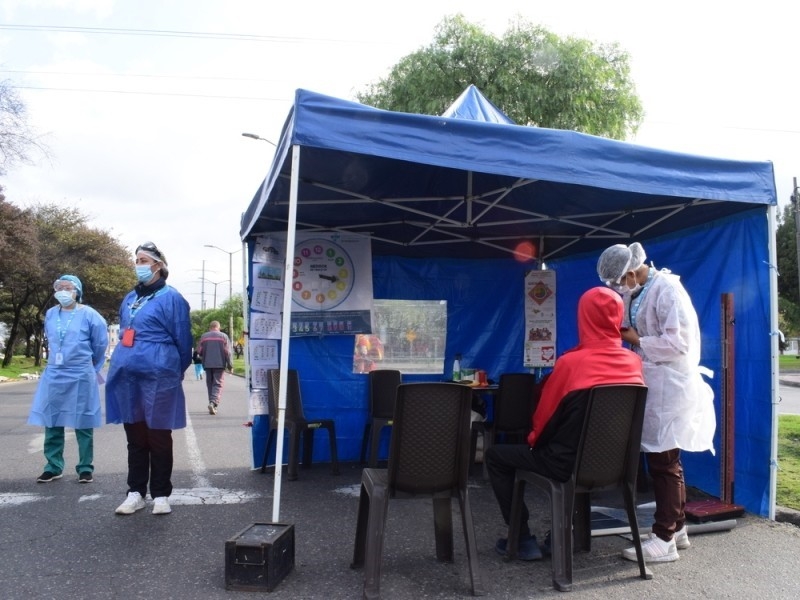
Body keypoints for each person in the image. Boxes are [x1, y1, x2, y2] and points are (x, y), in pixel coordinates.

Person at [486, 287, 644, 560]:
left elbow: (544, 419)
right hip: (618, 466)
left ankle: (521, 538)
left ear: (584, 318)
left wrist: (534, 441)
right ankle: (563, 534)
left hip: (566, 464)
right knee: (574, 451)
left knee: (496, 456)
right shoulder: (634, 363)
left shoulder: (570, 364)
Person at [597, 242, 716, 562]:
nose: (620, 288)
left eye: (621, 281)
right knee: (663, 458)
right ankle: (677, 528)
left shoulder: (667, 291)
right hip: (652, 381)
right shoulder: (635, 291)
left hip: (670, 385)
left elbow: (679, 344)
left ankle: (663, 539)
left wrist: (635, 339)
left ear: (633, 272)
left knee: (665, 460)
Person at [105, 242, 193, 516]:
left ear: (158, 265)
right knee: (135, 435)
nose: (138, 264)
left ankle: (161, 494)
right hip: (128, 374)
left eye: (143, 260)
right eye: (137, 260)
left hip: (159, 374)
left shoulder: (172, 298)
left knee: (158, 435)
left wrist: (173, 370)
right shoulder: (130, 298)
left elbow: (183, 340)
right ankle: (135, 492)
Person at [28, 275, 108, 483]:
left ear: (77, 291)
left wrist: (92, 367)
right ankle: (53, 466)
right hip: (55, 372)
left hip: (81, 372)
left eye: (68, 287)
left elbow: (100, 345)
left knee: (83, 419)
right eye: (59, 287)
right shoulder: (51, 314)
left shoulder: (90, 315)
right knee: (52, 419)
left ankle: (85, 467)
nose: (63, 291)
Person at [197, 320, 233, 415]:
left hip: (207, 365)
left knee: (210, 384)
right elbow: (228, 353)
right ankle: (213, 403)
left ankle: (211, 403)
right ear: (219, 327)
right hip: (219, 364)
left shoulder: (204, 336)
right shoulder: (224, 337)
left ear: (210, 327)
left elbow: (199, 351)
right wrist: (230, 366)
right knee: (217, 384)